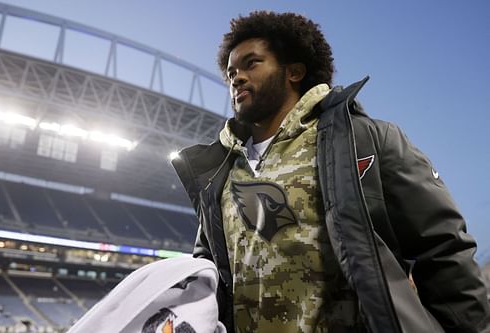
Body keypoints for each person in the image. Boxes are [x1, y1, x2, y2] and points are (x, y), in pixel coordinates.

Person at [172, 11, 490, 333]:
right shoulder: (220, 172)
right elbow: (207, 273)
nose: (236, 78)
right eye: (231, 73)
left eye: (251, 63)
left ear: (294, 71)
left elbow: (442, 247)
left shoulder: (365, 141)